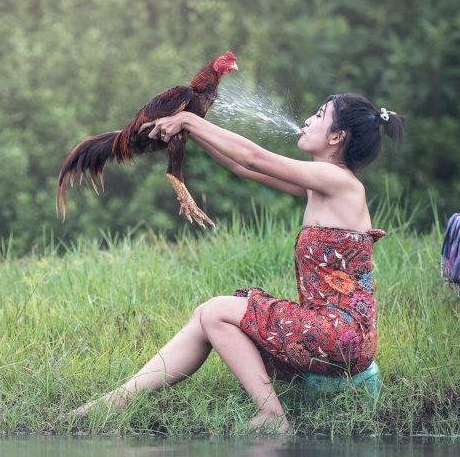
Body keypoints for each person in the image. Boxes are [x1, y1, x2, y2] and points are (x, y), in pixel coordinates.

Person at [73, 94, 405, 431]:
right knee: (207, 315)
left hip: (340, 335)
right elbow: (241, 166)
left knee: (217, 310)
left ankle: (272, 417)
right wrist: (189, 131)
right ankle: (115, 401)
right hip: (327, 331)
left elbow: (254, 156)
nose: (307, 121)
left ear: (337, 137)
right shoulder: (321, 185)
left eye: (319, 116)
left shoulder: (338, 182)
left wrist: (189, 121)